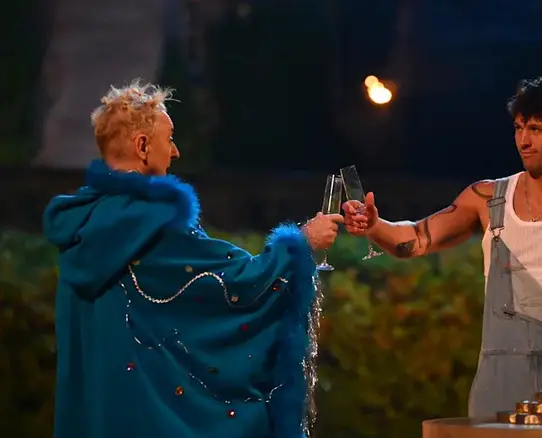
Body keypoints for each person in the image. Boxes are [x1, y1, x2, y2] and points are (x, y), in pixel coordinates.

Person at [43, 80, 343, 438]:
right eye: (169, 138)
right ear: (141, 145)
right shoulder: (155, 223)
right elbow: (237, 285)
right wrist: (302, 243)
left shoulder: (80, 228)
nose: (176, 152)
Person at [343, 77, 542, 417]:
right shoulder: (486, 199)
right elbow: (414, 240)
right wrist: (375, 226)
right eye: (518, 128)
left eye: (537, 129)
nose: (524, 141)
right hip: (500, 379)